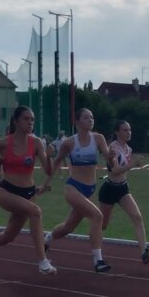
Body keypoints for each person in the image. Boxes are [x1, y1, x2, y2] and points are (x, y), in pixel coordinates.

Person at [0, 106, 57, 275]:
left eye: (32, 119)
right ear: (16, 121)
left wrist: (50, 156)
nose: (30, 122)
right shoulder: (3, 143)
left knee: (9, 236)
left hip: (28, 193)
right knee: (35, 212)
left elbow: (49, 171)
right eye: (26, 119)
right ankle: (43, 261)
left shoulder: (36, 143)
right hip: (7, 192)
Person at [42, 108, 112, 272]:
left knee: (68, 227)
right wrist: (45, 184)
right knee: (97, 216)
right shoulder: (69, 143)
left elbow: (108, 157)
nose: (90, 120)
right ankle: (98, 260)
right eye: (86, 117)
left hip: (90, 189)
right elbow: (56, 163)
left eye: (92, 117)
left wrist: (112, 156)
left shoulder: (98, 138)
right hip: (73, 187)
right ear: (77, 121)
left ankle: (47, 239)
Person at [99, 120, 149, 264]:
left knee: (137, 217)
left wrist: (133, 165)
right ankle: (97, 253)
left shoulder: (128, 149)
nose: (129, 132)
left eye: (129, 130)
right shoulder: (112, 147)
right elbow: (115, 170)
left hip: (123, 188)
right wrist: (132, 164)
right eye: (125, 130)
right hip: (109, 189)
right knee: (102, 225)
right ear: (117, 132)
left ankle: (143, 252)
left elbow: (124, 171)